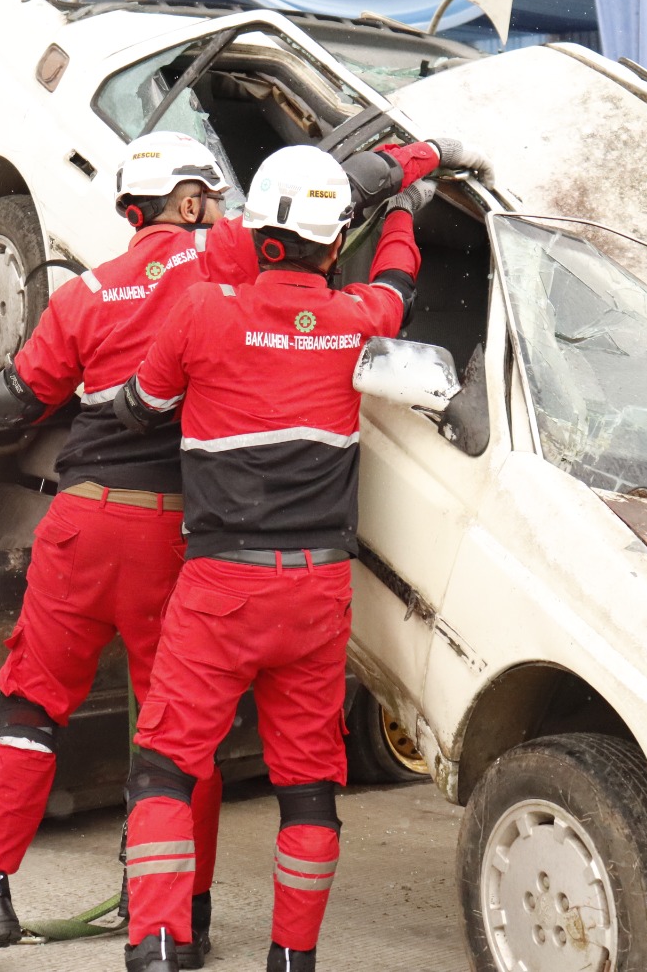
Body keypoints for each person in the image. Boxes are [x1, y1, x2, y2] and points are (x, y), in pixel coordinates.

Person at [112, 145, 461, 972]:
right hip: (316, 591)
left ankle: (158, 946)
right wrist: (407, 200)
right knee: (308, 784)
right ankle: (292, 958)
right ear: (334, 244)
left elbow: (139, 407)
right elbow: (400, 283)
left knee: (166, 765)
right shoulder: (358, 320)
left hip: (219, 587)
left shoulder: (200, 311)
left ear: (258, 233)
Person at [0, 133, 238, 971]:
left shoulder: (84, 293)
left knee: (30, 712)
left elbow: (18, 396)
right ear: (185, 203)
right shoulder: (217, 266)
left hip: (76, 525)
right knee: (180, 735)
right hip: (169, 532)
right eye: (211, 198)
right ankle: (178, 925)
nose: (220, 212)